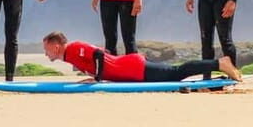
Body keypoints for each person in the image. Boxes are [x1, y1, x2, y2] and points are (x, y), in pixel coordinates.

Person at [42, 31, 242, 83]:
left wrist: (96, 78)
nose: (46, 53)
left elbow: (98, 54)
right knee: (175, 73)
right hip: (130, 68)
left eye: (46, 49)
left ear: (56, 46)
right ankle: (214, 71)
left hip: (133, 69)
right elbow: (102, 53)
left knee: (177, 73)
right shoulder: (70, 55)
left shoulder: (74, 48)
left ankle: (220, 63)